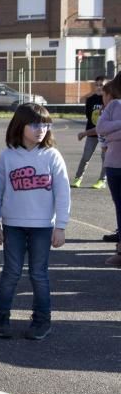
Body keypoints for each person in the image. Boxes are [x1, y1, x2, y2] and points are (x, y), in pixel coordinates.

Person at [0, 104, 69, 340]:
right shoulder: (8, 155)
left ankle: (42, 320)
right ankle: (1, 318)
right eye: (35, 124)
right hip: (13, 226)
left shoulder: (52, 155)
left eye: (45, 124)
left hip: (43, 227)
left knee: (39, 274)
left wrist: (61, 226)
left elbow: (63, 192)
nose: (41, 129)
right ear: (20, 125)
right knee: (11, 273)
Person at [96, 77, 121, 268]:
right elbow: (101, 128)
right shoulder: (113, 106)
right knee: (119, 207)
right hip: (114, 166)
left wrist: (113, 134)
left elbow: (108, 133)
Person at [73, 75, 107, 189]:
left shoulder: (109, 100)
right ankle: (78, 178)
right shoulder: (90, 100)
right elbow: (88, 116)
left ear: (106, 86)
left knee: (105, 157)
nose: (98, 87)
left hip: (105, 134)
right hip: (92, 133)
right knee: (86, 156)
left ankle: (102, 180)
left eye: (101, 85)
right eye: (96, 85)